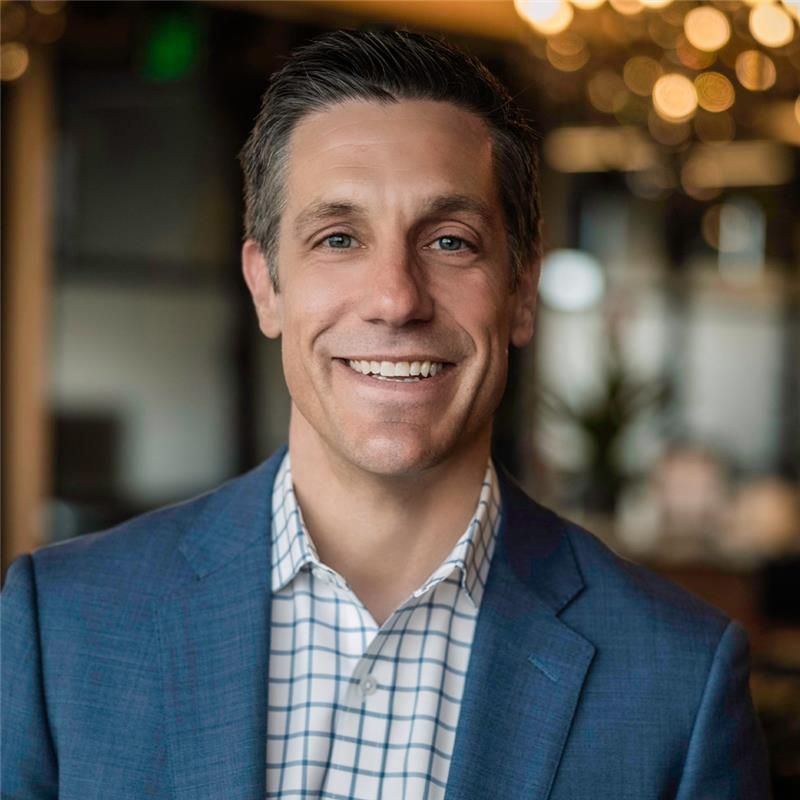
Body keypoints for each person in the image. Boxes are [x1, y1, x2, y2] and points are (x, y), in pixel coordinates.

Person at [2, 28, 769, 800]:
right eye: (338, 237)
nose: (396, 298)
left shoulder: (679, 681)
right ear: (266, 286)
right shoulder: (62, 626)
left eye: (449, 240)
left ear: (522, 292)